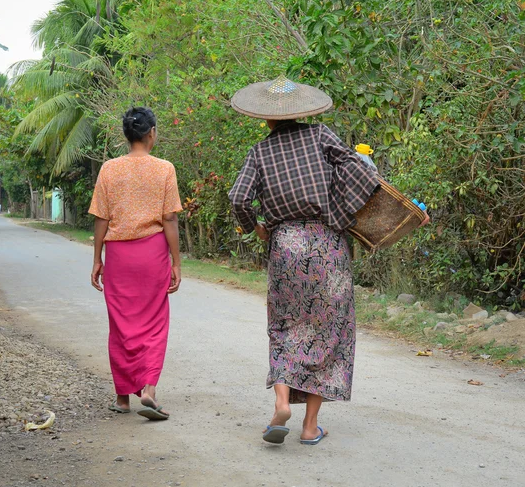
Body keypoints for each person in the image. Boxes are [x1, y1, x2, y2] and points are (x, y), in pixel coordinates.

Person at [229, 76, 428, 446]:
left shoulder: (259, 153)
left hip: (285, 246)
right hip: (327, 247)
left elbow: (239, 198)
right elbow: (362, 171)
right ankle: (309, 427)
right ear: (303, 112)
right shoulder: (320, 136)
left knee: (286, 327)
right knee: (327, 331)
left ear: (268, 119)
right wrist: (345, 210)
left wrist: (254, 227)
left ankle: (282, 401)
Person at [89, 106, 182, 421]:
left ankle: (122, 398)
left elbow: (102, 218)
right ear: (152, 132)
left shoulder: (109, 169)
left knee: (121, 326)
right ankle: (149, 390)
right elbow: (169, 218)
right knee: (154, 324)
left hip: (118, 257)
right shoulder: (164, 168)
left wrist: (97, 259)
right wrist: (176, 262)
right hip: (152, 254)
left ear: (126, 135)